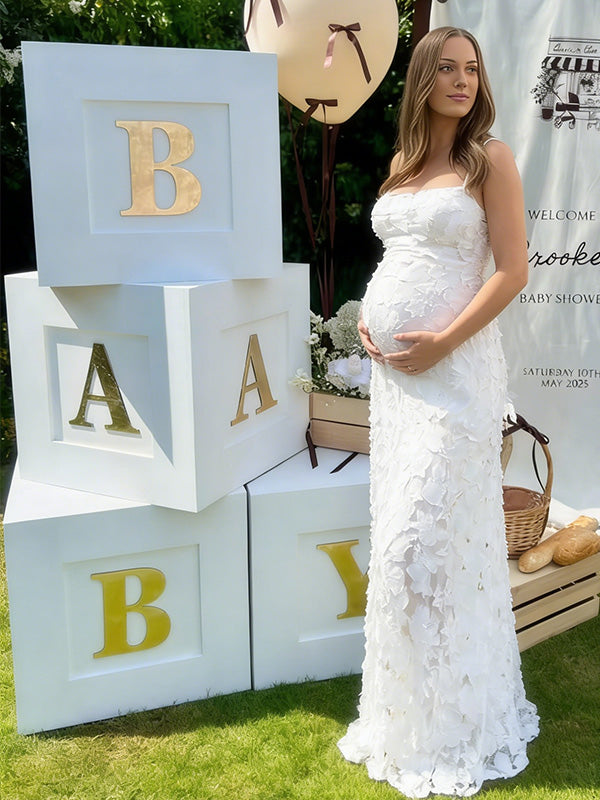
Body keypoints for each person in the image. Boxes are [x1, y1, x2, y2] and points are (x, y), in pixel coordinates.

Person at [337, 26, 539, 798]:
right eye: (446, 69)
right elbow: (402, 258)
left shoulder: (488, 158)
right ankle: (408, 719)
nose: (461, 80)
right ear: (422, 80)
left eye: (471, 70)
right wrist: (368, 317)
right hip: (399, 387)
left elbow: (512, 269)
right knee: (402, 543)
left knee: (420, 548)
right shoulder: (402, 165)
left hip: (454, 382)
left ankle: (461, 724)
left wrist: (441, 340)